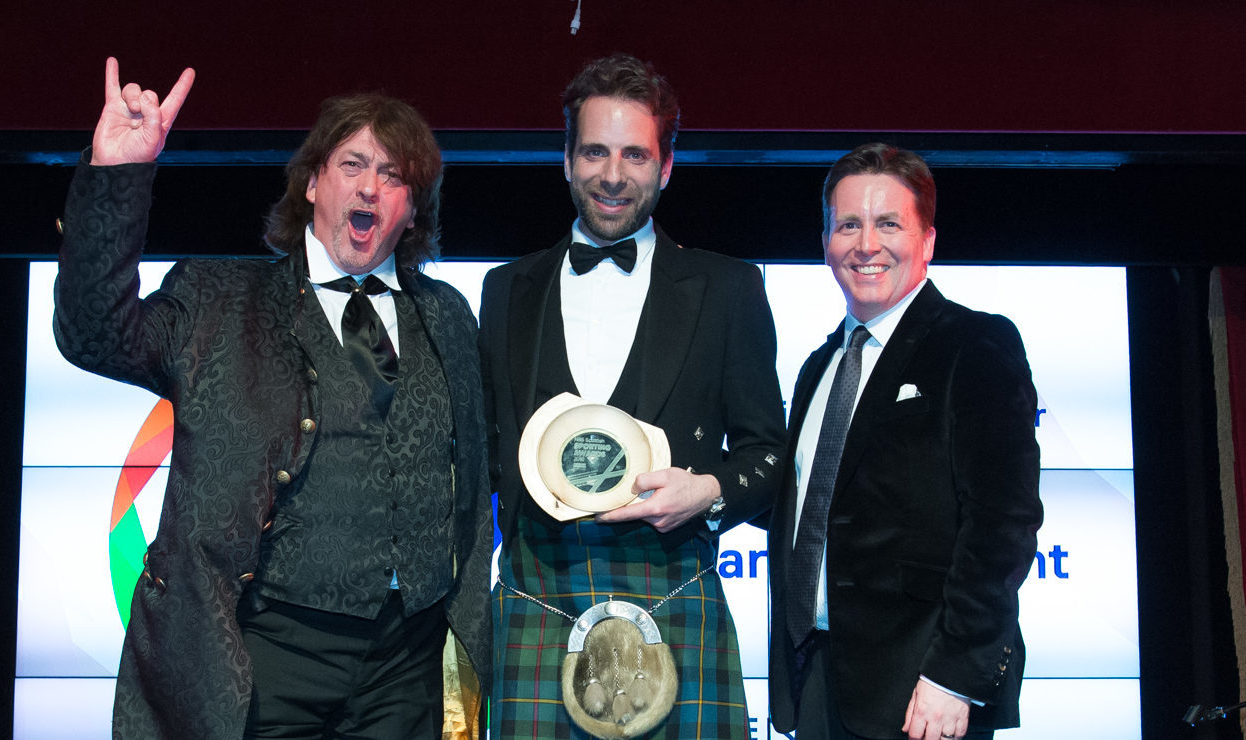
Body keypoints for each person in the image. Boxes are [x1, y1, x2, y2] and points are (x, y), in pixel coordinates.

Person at [53, 58, 491, 739]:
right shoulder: (217, 300)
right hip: (267, 653)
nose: (371, 188)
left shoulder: (448, 317)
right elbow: (92, 335)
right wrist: (117, 176)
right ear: (313, 182)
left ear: (411, 211)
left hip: (404, 663)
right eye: (353, 165)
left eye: (394, 175)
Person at [478, 53, 786, 738]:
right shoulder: (505, 290)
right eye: (593, 152)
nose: (612, 176)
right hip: (538, 590)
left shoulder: (728, 289)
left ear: (666, 166)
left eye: (634, 156)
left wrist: (706, 491)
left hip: (671, 586)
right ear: (565, 159)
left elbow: (769, 454)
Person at [767, 143, 1043, 740]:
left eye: (888, 222)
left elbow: (1002, 526)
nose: (866, 244)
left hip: (923, 691)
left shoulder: (976, 346)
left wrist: (956, 677)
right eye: (848, 225)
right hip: (816, 681)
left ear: (928, 241)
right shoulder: (818, 366)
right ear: (825, 243)